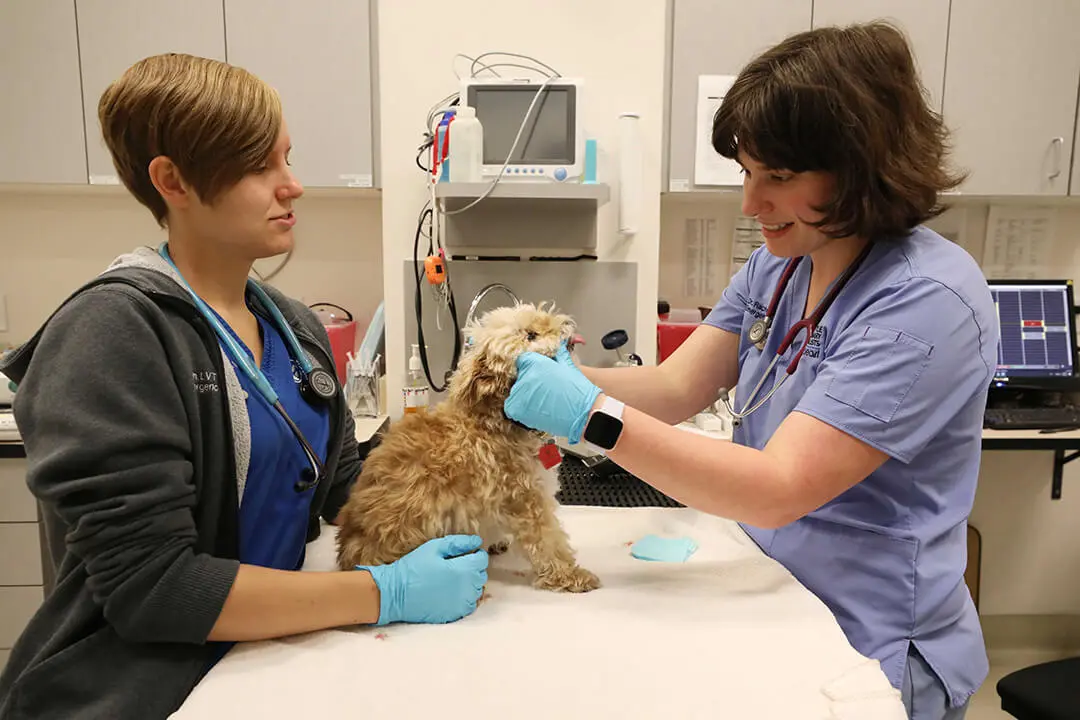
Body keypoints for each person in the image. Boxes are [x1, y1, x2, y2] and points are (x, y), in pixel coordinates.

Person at [504, 22, 994, 720]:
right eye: (747, 172)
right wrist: (541, 376)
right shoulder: (781, 263)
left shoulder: (925, 301)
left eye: (779, 178)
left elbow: (778, 489)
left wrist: (587, 413)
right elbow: (679, 388)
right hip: (774, 596)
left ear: (861, 166)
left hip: (868, 651)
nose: (750, 203)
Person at [0, 54, 488, 720]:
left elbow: (346, 488)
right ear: (172, 180)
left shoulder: (291, 327)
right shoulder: (112, 333)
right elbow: (156, 589)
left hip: (255, 661)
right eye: (260, 166)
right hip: (133, 686)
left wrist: (478, 455)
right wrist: (386, 592)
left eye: (287, 159)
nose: (293, 187)